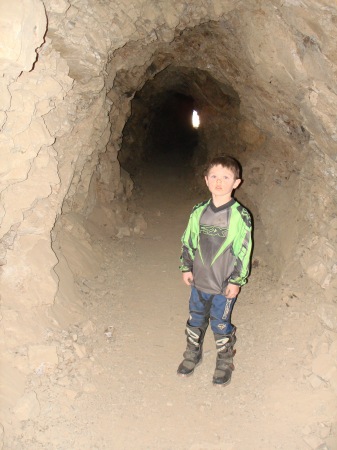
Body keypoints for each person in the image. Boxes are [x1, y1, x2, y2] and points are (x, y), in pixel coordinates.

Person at [177, 155, 252, 386]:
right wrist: (186, 267)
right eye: (214, 177)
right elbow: (189, 240)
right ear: (206, 180)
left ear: (236, 183)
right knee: (196, 318)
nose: (220, 182)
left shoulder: (241, 216)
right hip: (200, 280)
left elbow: (244, 249)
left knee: (220, 321)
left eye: (226, 177)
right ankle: (192, 352)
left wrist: (236, 281)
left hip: (223, 283)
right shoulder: (199, 211)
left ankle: (224, 359)